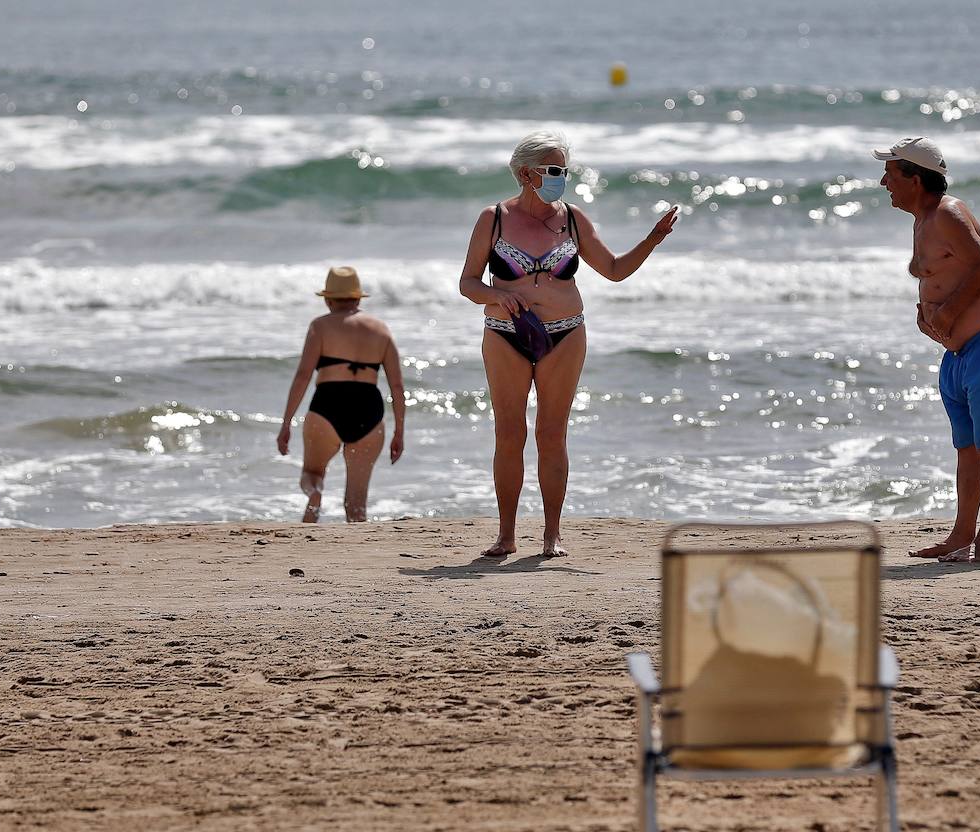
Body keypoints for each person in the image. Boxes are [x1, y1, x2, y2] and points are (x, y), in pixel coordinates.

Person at [458, 129, 679, 558]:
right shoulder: (494, 218)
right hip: (506, 336)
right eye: (555, 169)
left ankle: (551, 535)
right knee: (509, 432)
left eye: (565, 169)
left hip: (567, 333)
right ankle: (506, 535)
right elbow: (468, 283)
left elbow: (613, 270)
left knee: (552, 433)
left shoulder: (572, 218)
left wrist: (652, 240)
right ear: (527, 173)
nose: (563, 177)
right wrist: (498, 294)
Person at [874, 137, 980, 563]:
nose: (883, 182)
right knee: (966, 447)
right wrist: (931, 321)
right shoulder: (923, 218)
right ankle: (962, 536)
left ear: (915, 177)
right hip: (959, 353)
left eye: (890, 174)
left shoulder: (948, 212)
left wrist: (946, 315)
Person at [277, 266, 405, 522]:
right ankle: (357, 544)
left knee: (312, 473)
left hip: (328, 405)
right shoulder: (381, 330)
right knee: (357, 503)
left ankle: (315, 495)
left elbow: (303, 376)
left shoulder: (320, 326)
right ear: (358, 298)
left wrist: (286, 424)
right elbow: (397, 387)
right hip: (369, 409)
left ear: (327, 299)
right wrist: (399, 432)